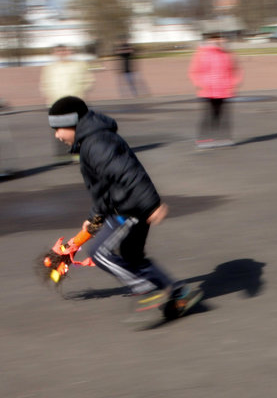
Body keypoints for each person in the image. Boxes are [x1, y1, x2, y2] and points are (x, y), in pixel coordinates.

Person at [47, 96, 203, 326]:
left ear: (73, 123)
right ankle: (179, 293)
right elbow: (103, 188)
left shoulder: (95, 144)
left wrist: (151, 205)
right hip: (128, 205)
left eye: (58, 129)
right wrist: (94, 219)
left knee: (100, 253)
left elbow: (127, 173)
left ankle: (147, 290)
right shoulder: (92, 141)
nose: (56, 135)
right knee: (132, 257)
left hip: (131, 208)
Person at [187, 32, 241, 148]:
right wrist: (200, 84)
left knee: (223, 114)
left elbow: (235, 70)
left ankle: (224, 137)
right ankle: (204, 138)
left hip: (223, 89)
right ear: (210, 39)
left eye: (221, 38)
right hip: (208, 89)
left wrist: (233, 83)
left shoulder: (227, 54)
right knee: (208, 114)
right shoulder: (202, 53)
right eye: (217, 38)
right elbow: (194, 71)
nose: (220, 40)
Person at [40, 44, 94, 160]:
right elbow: (45, 84)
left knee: (78, 128)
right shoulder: (50, 68)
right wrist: (49, 98)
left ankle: (80, 152)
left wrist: (81, 94)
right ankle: (65, 152)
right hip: (56, 103)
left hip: (75, 102)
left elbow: (88, 81)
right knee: (60, 129)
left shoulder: (79, 65)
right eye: (59, 51)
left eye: (64, 51)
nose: (62, 54)